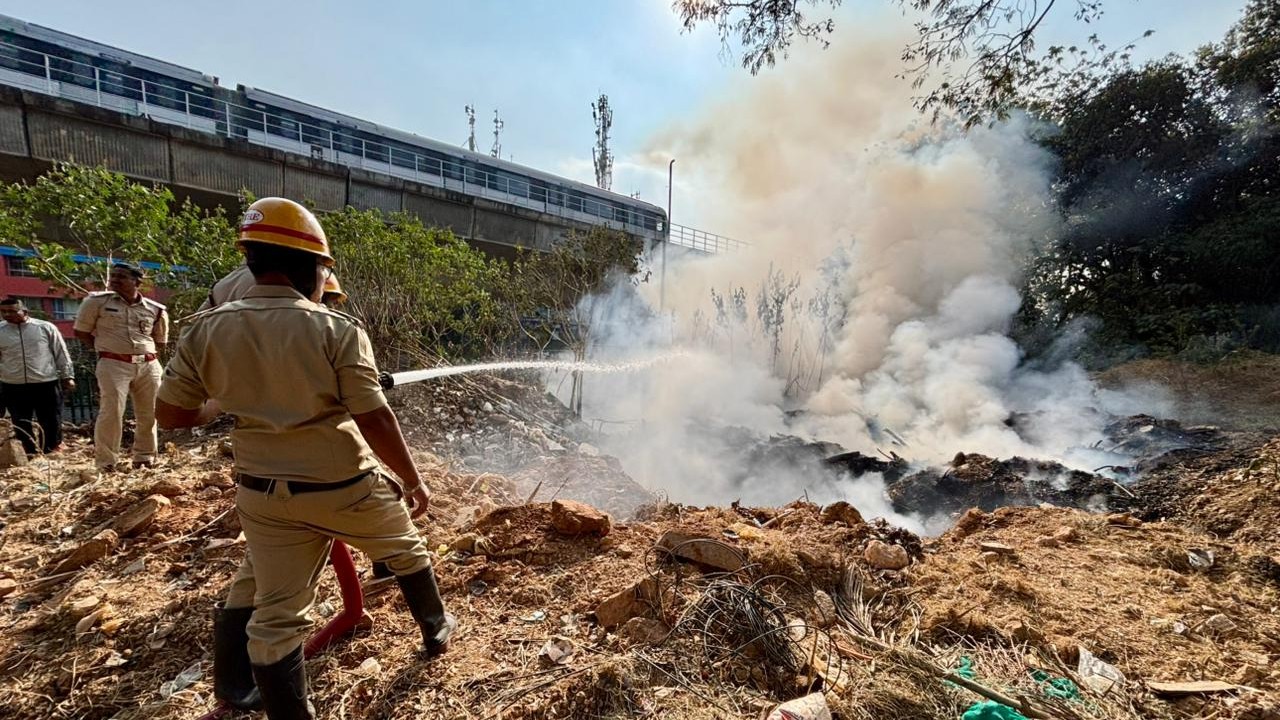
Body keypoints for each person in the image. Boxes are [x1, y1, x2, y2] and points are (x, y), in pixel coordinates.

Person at [156, 197, 455, 719]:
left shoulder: (205, 327)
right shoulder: (334, 330)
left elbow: (173, 415)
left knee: (274, 615)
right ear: (314, 268)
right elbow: (375, 418)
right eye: (324, 270)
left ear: (252, 261)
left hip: (263, 494)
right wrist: (412, 479)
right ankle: (436, 631)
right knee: (407, 547)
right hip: (342, 487)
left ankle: (249, 695)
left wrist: (228, 401)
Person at [73, 262, 168, 472]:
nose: (114, 279)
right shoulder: (96, 302)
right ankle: (107, 462)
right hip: (113, 364)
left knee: (149, 413)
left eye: (121, 276)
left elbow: (160, 340)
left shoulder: (155, 309)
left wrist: (145, 356)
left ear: (137, 282)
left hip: (148, 365)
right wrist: (105, 350)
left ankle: (145, 457)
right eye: (113, 275)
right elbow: (81, 332)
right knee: (111, 412)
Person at [0, 297, 75, 454]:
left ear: (24, 311)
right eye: (3, 312)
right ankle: (29, 452)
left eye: (12, 311)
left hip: (45, 381)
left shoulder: (45, 327)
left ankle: (51, 450)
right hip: (13, 383)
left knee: (51, 419)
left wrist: (68, 376)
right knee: (20, 421)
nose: (7, 315)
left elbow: (61, 352)